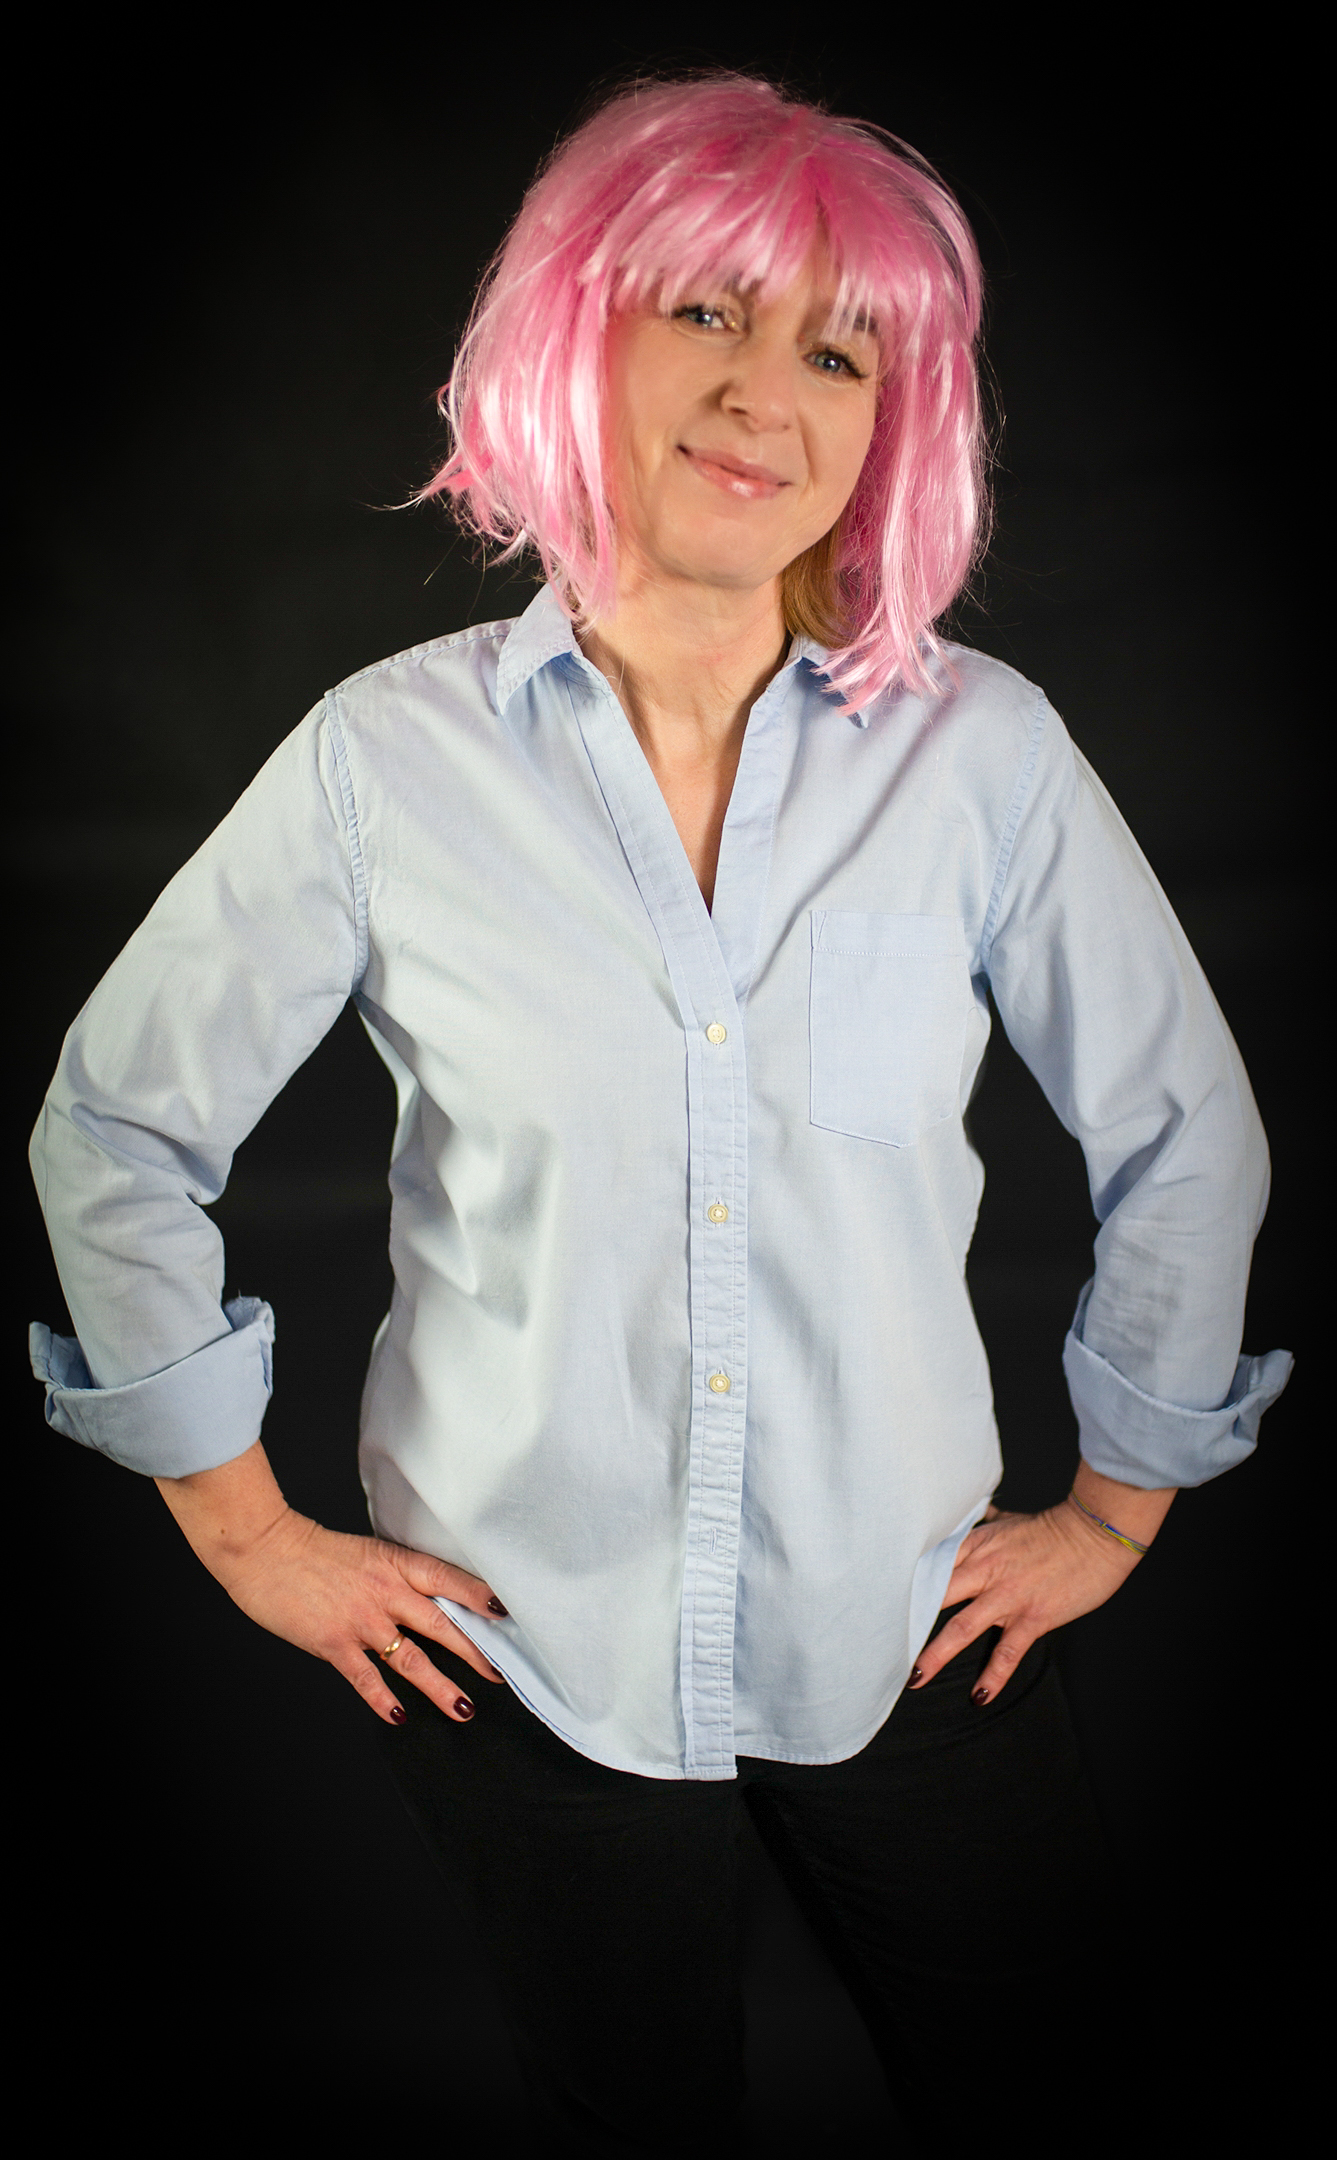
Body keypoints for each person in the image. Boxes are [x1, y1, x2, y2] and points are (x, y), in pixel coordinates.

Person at [29, 72, 1291, 2155]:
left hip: (909, 1627)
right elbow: (116, 1130)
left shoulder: (984, 759)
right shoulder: (383, 764)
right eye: (704, 309)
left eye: (838, 352)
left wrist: (1116, 1508)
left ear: (893, 421)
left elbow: (1186, 1133)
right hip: (523, 1659)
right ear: (572, 331)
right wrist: (243, 1535)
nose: (760, 394)